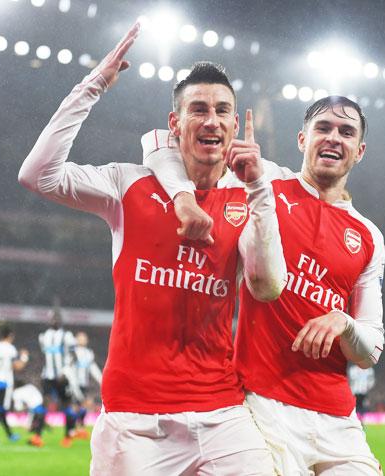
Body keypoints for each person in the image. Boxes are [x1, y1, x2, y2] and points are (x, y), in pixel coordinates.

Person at [18, 22, 286, 476]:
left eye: (223, 111)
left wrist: (258, 186)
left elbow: (267, 285)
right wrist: (93, 86)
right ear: (174, 124)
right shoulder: (128, 184)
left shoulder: (252, 191)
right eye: (198, 109)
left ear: (236, 125)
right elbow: (38, 174)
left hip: (220, 409)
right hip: (135, 418)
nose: (212, 120)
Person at [143, 94, 385, 475]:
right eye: (322, 128)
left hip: (338, 419)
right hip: (263, 406)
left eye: (346, 132)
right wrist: (183, 197)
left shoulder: (369, 236)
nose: (334, 137)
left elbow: (370, 349)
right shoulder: (265, 180)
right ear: (302, 139)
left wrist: (344, 322)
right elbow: (159, 142)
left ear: (360, 150)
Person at [38, 309, 78, 447]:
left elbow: (74, 356)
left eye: (57, 318)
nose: (55, 320)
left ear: (61, 320)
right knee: (44, 403)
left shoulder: (67, 336)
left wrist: (66, 371)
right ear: (49, 320)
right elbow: (44, 356)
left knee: (66, 405)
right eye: (52, 318)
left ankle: (67, 437)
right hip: (48, 375)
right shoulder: (43, 336)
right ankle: (37, 436)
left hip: (63, 377)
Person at [0, 325, 29, 444]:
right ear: (10, 336)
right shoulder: (10, 349)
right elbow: (17, 367)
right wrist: (24, 357)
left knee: (1, 408)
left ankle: (10, 435)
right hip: (5, 381)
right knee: (0, 408)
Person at [73, 331, 102, 437]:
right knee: (75, 406)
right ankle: (73, 429)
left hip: (84, 383)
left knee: (84, 405)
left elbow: (93, 368)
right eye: (80, 338)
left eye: (84, 338)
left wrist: (101, 380)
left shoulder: (89, 353)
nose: (82, 340)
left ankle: (80, 428)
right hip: (74, 384)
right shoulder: (73, 351)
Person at [12, 381, 47, 447]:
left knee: (29, 427)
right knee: (39, 423)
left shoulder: (16, 392)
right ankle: (36, 438)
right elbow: (39, 396)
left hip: (33, 409)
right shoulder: (30, 386)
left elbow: (18, 407)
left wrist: (24, 408)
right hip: (40, 407)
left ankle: (36, 440)